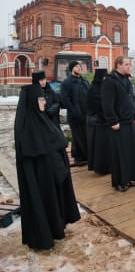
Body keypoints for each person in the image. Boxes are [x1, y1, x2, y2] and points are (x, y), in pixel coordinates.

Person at [14, 83, 80, 250]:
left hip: (51, 177)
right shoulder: (27, 127)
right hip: (42, 180)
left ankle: (56, 227)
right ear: (32, 101)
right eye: (40, 99)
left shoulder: (42, 119)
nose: (44, 102)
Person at [101, 56, 135, 191]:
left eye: (129, 65)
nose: (128, 67)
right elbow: (107, 103)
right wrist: (113, 121)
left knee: (131, 152)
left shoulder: (126, 79)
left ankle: (131, 177)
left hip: (129, 121)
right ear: (118, 65)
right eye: (126, 64)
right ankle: (121, 181)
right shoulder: (109, 81)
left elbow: (131, 101)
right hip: (118, 123)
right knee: (120, 153)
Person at [60, 61, 89, 166]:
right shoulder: (67, 82)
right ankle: (79, 158)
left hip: (86, 113)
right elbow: (65, 99)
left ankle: (87, 156)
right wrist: (74, 111)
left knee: (86, 135)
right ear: (72, 68)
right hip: (74, 115)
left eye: (79, 66)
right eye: (76, 66)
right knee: (77, 137)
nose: (79, 68)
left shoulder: (84, 81)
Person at [86, 68, 111, 174]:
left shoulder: (104, 86)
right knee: (98, 147)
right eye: (104, 76)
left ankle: (107, 166)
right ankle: (100, 167)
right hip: (97, 121)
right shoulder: (93, 88)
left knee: (105, 147)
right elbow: (96, 104)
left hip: (104, 121)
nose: (105, 78)